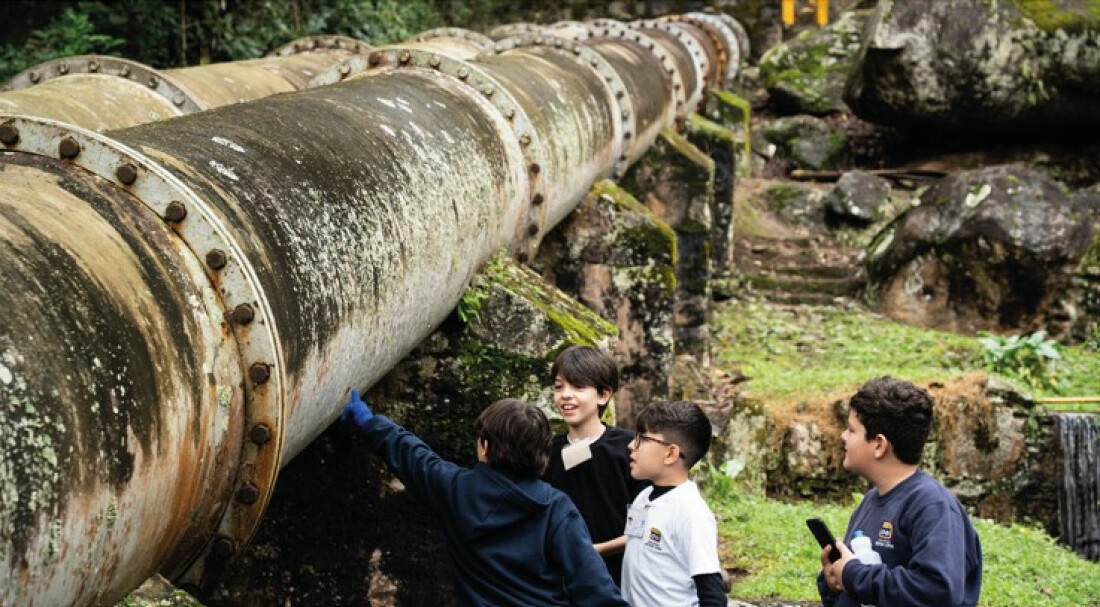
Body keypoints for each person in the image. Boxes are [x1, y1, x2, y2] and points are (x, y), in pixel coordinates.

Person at [341, 390, 628, 607]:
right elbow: (594, 586)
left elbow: (413, 455)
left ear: (486, 447)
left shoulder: (455, 489)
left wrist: (368, 421)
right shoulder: (556, 507)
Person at [817, 376, 983, 607]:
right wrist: (834, 580)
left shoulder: (933, 506)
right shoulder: (870, 502)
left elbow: (937, 592)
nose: (843, 436)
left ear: (879, 445)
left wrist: (853, 575)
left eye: (852, 430)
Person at [542, 345, 649, 587]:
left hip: (620, 577)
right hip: (560, 578)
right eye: (559, 387)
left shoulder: (629, 448)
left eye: (578, 387)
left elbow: (646, 523)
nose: (565, 395)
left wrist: (596, 551)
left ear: (603, 395)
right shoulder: (545, 451)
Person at [620, 400, 726, 607]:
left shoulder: (691, 512)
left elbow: (712, 594)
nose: (631, 445)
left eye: (642, 438)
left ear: (671, 454)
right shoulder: (644, 497)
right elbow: (635, 540)